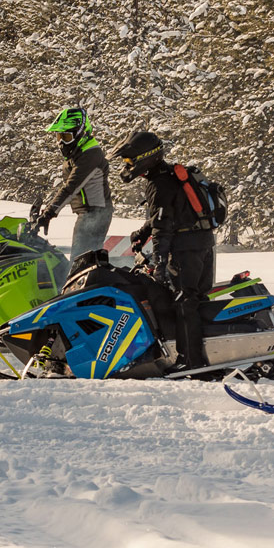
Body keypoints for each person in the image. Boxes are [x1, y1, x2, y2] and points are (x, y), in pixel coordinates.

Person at [114, 130, 215, 371]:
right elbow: (165, 215)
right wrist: (142, 233)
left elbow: (163, 226)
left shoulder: (159, 183)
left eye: (129, 160)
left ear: (145, 157)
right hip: (202, 243)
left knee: (184, 301)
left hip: (185, 249)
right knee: (195, 299)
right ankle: (208, 354)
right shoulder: (169, 175)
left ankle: (190, 362)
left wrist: (159, 261)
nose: (127, 166)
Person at [31, 107, 112, 257]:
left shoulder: (90, 155)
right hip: (89, 213)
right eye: (59, 136)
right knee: (81, 261)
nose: (61, 142)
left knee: (79, 262)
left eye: (66, 137)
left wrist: (49, 213)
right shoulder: (79, 153)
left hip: (95, 214)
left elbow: (71, 187)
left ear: (81, 134)